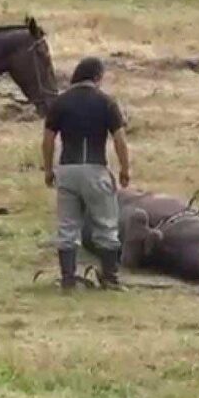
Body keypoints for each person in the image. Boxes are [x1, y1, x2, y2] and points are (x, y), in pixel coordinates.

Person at [42, 57, 130, 291]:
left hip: (67, 169)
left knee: (68, 227)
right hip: (95, 167)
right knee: (106, 224)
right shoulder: (106, 102)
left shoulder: (61, 102)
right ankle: (110, 277)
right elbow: (120, 139)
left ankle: (68, 278)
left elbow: (48, 139)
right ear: (98, 77)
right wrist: (124, 169)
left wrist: (48, 169)